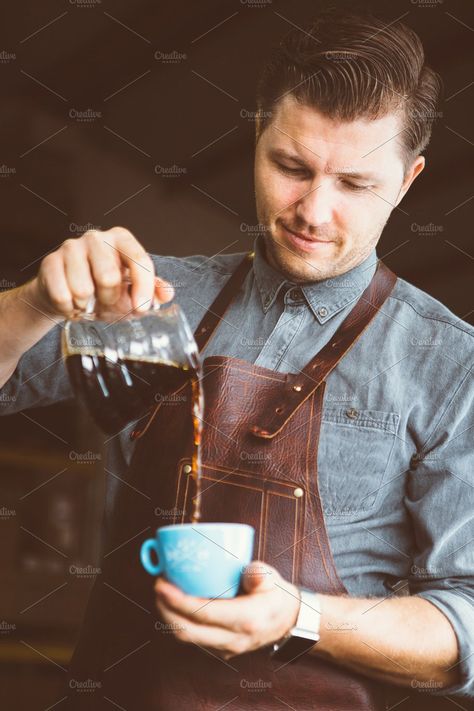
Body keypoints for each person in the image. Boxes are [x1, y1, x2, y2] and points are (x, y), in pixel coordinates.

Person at [1, 8, 473, 710]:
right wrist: (34, 302)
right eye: (291, 166)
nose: (314, 210)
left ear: (407, 182)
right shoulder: (147, 297)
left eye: (354, 184)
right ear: (257, 135)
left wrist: (299, 615)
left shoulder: (449, 362)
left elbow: (465, 620)